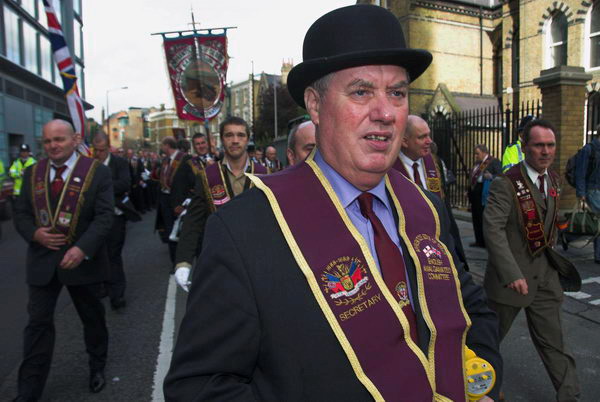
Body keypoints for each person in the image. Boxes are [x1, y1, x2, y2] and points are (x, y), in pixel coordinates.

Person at [164, 5, 501, 401]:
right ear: (315, 104)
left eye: (397, 93)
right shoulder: (245, 228)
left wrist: (482, 388)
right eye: (361, 91)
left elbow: (472, 310)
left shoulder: (425, 207)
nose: (385, 112)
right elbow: (200, 386)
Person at [13, 120, 114, 400]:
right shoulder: (32, 172)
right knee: (37, 325)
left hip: (82, 262)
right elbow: (20, 213)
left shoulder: (97, 173)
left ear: (75, 139)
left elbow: (105, 217)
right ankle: (29, 390)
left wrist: (82, 249)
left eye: (59, 139)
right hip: (43, 261)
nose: (53, 146)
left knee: (92, 318)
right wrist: (34, 233)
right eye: (47, 141)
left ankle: (97, 366)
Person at [483, 119, 581, 401]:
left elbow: (546, 218)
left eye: (550, 145)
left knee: (554, 343)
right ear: (525, 147)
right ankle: (478, 389)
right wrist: (511, 273)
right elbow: (494, 228)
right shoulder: (506, 183)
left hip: (546, 277)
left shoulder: (553, 179)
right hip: (510, 280)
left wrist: (565, 224)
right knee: (487, 343)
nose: (546, 151)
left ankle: (570, 395)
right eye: (539, 145)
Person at [173, 116, 268, 292]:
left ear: (248, 139)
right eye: (229, 135)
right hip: (220, 262)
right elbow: (194, 221)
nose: (235, 141)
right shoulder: (207, 176)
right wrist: (183, 262)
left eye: (240, 135)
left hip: (257, 262)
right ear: (221, 139)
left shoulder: (266, 174)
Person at [393, 115, 469, 270]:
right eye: (422, 137)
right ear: (404, 141)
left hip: (437, 244)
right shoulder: (389, 167)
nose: (430, 141)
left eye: (429, 135)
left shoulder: (434, 163)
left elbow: (445, 209)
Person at [92, 132, 134, 310]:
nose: (98, 154)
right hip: (95, 219)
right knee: (97, 254)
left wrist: (103, 185)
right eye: (96, 150)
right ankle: (102, 286)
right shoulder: (90, 165)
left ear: (108, 148)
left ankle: (117, 295)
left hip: (115, 216)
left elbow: (125, 183)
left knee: (113, 255)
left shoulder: (120, 163)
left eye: (101, 150)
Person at [154, 136, 193, 267]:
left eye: (162, 145)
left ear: (167, 146)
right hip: (165, 199)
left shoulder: (185, 158)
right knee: (170, 231)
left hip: (179, 201)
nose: (161, 148)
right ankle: (175, 262)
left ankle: (183, 260)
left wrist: (186, 200)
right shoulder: (165, 160)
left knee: (181, 232)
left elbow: (191, 181)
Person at [468, 145, 501, 248]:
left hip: (484, 193)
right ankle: (479, 240)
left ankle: (486, 241)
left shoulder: (493, 162)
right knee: (476, 218)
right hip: (475, 192)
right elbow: (472, 177)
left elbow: (500, 176)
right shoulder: (478, 164)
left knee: (483, 218)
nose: (476, 156)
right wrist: (468, 190)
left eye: (477, 153)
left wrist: (491, 177)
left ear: (484, 152)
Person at [574, 129, 600, 263]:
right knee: (598, 222)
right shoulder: (589, 150)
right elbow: (581, 173)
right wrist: (581, 193)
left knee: (597, 223)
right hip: (593, 190)